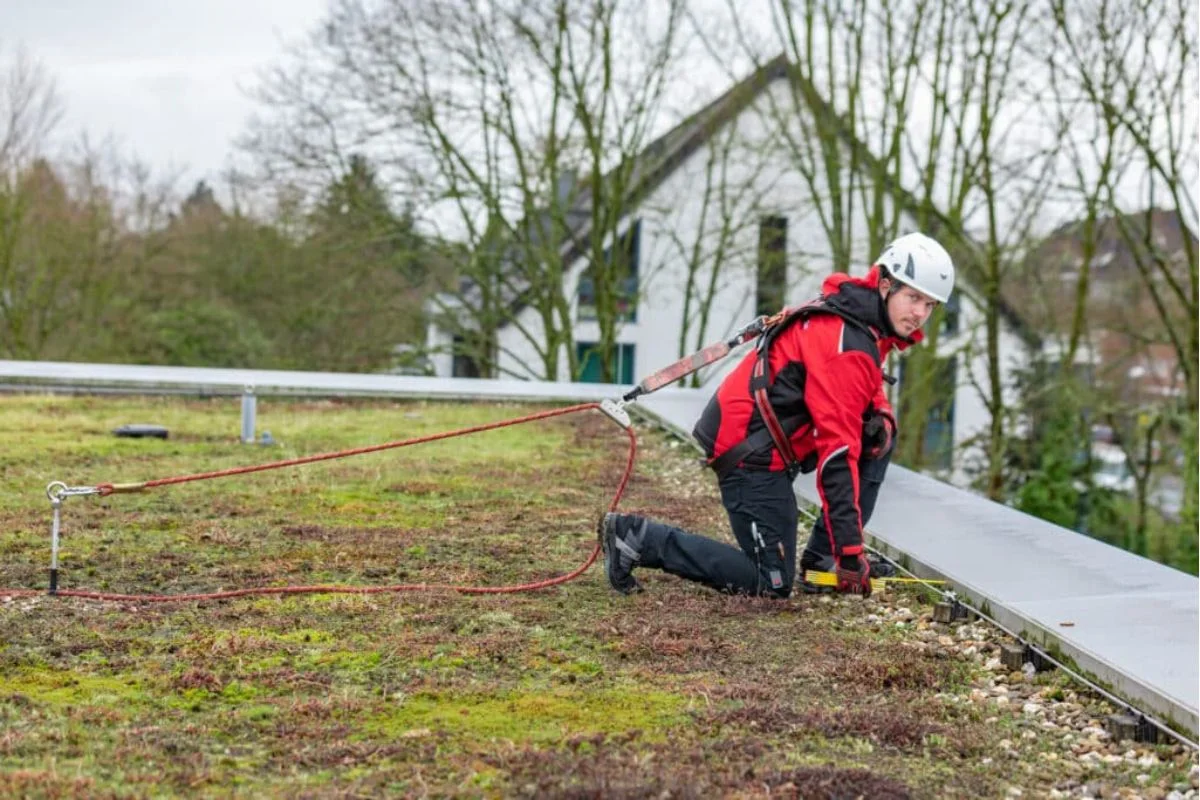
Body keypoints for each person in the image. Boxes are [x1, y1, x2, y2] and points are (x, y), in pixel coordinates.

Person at [599, 232, 955, 598]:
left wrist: (880, 410)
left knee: (880, 435)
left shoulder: (862, 321)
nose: (919, 314)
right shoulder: (846, 341)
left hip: (765, 441)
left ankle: (821, 561)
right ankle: (637, 538)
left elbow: (865, 385)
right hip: (748, 451)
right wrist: (851, 555)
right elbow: (836, 456)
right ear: (884, 285)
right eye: (913, 298)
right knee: (771, 581)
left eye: (929, 305)